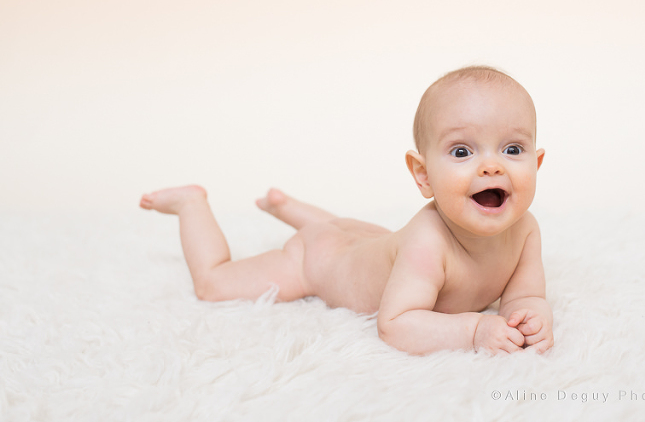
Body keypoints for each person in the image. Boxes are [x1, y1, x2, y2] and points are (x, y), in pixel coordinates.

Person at [139, 66, 553, 355]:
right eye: (462, 151)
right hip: (317, 260)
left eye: (512, 149)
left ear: (535, 164)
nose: (491, 165)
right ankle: (191, 203)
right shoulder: (427, 244)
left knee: (352, 236)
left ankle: (286, 206)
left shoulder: (525, 229)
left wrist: (530, 317)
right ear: (423, 175)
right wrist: (475, 329)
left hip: (366, 241)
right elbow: (397, 325)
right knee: (215, 284)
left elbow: (526, 294)